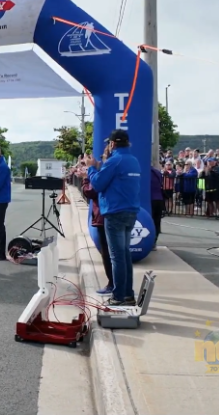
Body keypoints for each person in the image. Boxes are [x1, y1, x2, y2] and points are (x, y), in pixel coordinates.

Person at [84, 129, 141, 306]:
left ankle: (118, 297)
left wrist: (91, 168)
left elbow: (98, 184)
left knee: (117, 257)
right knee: (125, 254)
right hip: (131, 212)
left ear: (112, 144)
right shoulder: (133, 160)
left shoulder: (114, 161)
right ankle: (128, 294)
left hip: (115, 212)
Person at [82, 145, 114, 294]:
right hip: (113, 213)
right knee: (118, 253)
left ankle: (113, 284)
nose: (101, 160)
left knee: (108, 252)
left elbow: (91, 191)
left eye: (103, 157)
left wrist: (86, 177)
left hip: (104, 215)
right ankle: (120, 286)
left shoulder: (106, 171)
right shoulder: (119, 168)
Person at [150, 165, 164, 250]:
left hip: (151, 199)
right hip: (159, 199)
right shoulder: (157, 172)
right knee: (157, 222)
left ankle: (151, 242)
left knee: (151, 221)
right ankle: (154, 242)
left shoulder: (145, 173)